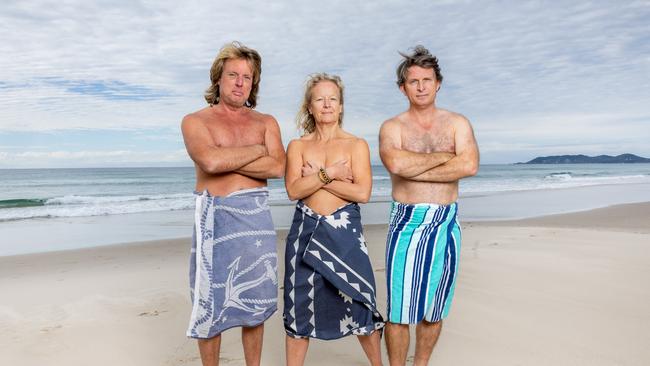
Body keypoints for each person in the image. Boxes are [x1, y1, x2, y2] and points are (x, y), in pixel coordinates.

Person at [181, 41, 286, 366]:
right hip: (216, 218)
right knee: (210, 303)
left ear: (254, 83)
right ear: (218, 78)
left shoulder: (265, 122)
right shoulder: (195, 121)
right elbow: (210, 163)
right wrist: (258, 151)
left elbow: (279, 167)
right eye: (233, 75)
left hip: (256, 219)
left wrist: (227, 156)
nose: (240, 83)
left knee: (255, 303)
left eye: (247, 77)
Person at [379, 45, 479, 366]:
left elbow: (470, 166)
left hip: (447, 222)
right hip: (407, 222)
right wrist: (443, 157)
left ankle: (420, 364)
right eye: (413, 81)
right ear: (402, 87)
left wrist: (417, 166)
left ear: (438, 83)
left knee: (435, 308)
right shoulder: (392, 127)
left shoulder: (456, 123)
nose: (421, 87)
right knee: (399, 310)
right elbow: (396, 165)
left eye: (427, 80)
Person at [283, 73, 384, 366]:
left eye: (333, 99)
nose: (327, 105)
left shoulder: (357, 145)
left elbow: (362, 192)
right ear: (310, 107)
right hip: (305, 231)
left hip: (346, 235)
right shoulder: (297, 146)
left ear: (340, 107)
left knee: (361, 302)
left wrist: (317, 178)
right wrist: (332, 174)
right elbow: (293, 190)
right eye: (319, 99)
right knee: (297, 309)